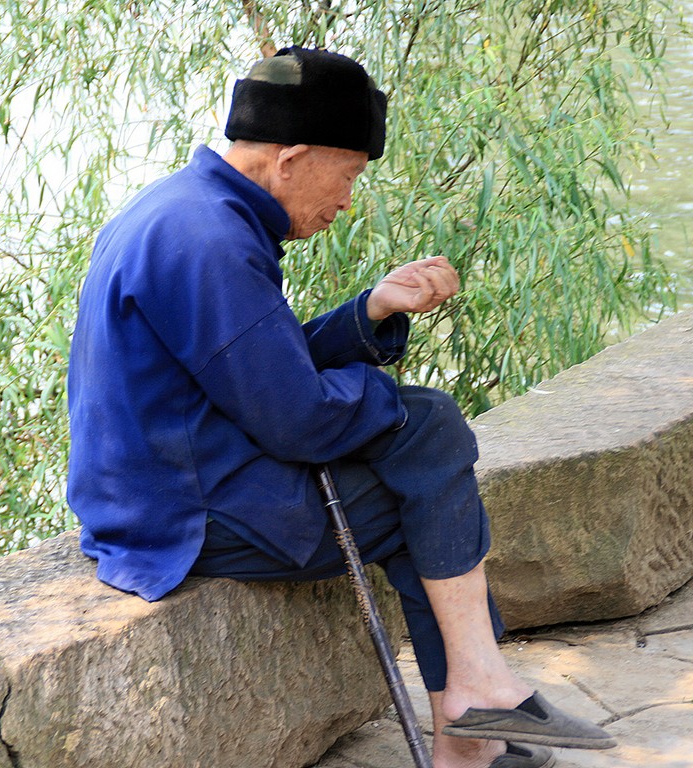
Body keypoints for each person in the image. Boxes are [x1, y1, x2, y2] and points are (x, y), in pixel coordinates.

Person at [67, 46, 616, 768]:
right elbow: (298, 421)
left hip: (174, 484)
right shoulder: (210, 243)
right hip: (184, 516)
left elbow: (258, 364)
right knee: (427, 448)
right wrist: (390, 404)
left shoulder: (185, 209)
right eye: (351, 174)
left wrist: (370, 311)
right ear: (291, 158)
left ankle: (474, 712)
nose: (349, 200)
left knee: (426, 462)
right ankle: (472, 712)